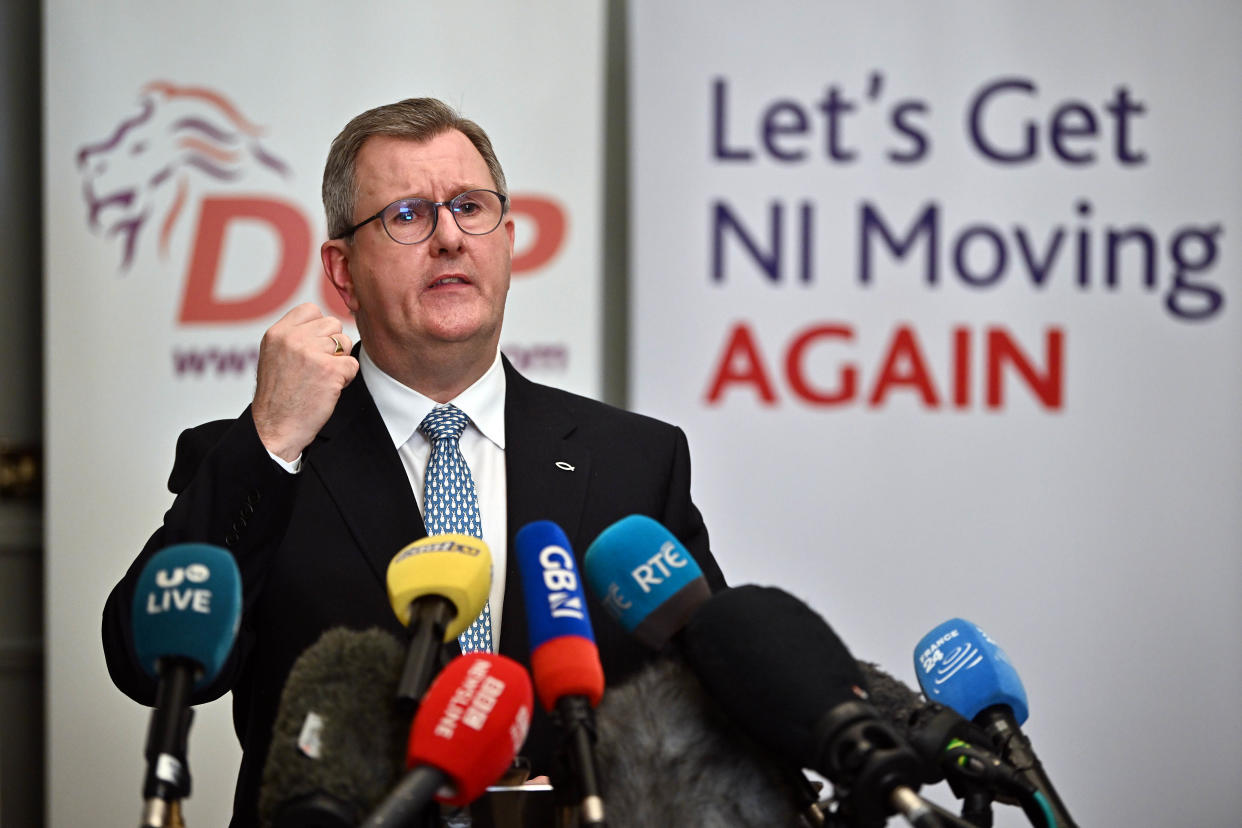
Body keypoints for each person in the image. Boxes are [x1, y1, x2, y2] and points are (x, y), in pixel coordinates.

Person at [101, 97, 725, 827]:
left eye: (470, 207)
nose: (450, 238)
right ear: (342, 272)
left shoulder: (635, 460)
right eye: (407, 215)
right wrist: (270, 438)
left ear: (509, 243)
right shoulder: (259, 457)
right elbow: (143, 666)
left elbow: (712, 689)